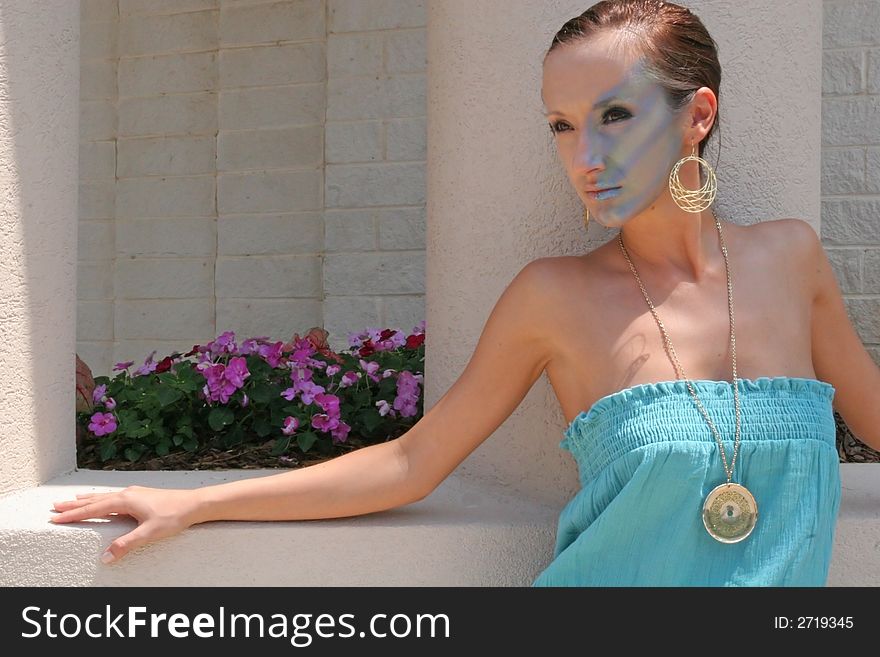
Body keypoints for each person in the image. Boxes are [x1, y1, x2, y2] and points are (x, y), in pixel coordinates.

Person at [52, 0, 880, 585]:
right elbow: (414, 461)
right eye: (561, 124)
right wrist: (197, 505)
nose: (583, 154)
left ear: (698, 113)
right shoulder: (553, 297)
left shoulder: (790, 260)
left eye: (615, 115)